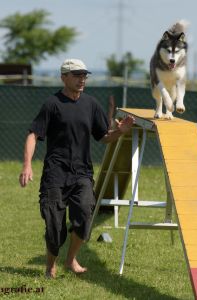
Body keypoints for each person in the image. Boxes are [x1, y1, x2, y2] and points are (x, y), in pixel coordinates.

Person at [19, 58, 134, 278]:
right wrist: (27, 166)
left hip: (82, 173)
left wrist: (120, 132)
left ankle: (70, 260)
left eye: (84, 76)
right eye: (77, 76)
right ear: (64, 77)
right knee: (55, 228)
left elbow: (103, 137)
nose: (82, 80)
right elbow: (33, 134)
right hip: (55, 174)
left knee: (84, 216)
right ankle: (50, 265)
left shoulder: (91, 104)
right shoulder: (52, 104)